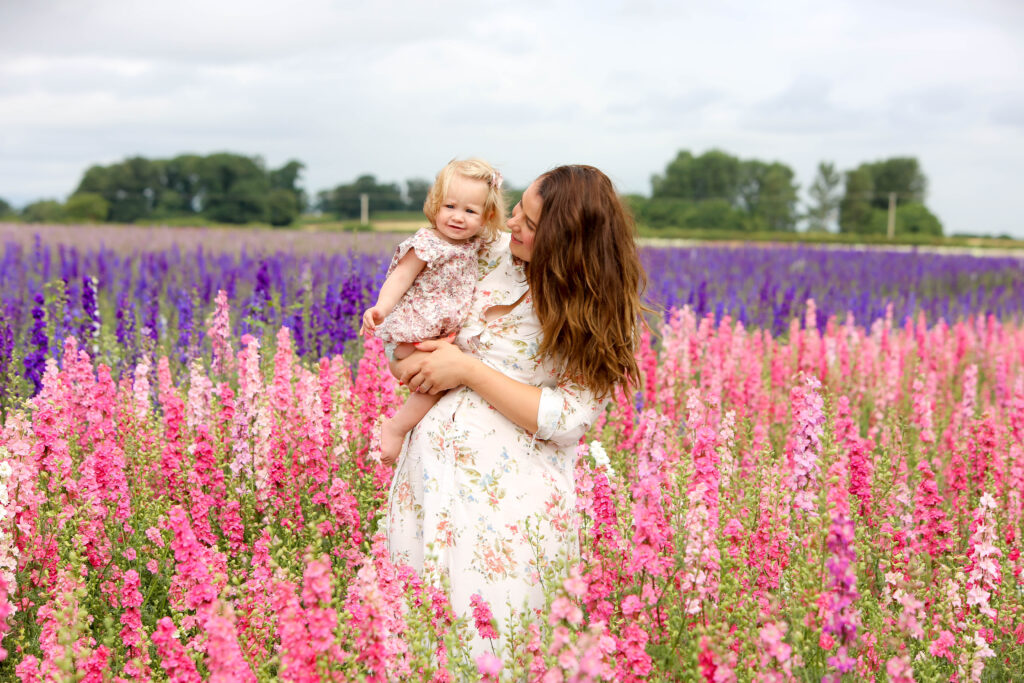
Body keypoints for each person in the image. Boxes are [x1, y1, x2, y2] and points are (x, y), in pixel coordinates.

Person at [385, 164, 649, 657]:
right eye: (518, 213)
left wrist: (466, 371)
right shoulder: (490, 259)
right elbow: (415, 321)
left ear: (565, 241)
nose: (511, 227)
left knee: (494, 647)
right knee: (415, 642)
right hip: (427, 487)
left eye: (529, 223)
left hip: (508, 511)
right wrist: (413, 361)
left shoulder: (596, 308)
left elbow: (570, 420)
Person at [360, 158, 506, 465]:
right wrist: (380, 309)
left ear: (486, 216)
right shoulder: (427, 242)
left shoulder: (475, 244)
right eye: (450, 206)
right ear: (435, 204)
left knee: (444, 378)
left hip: (442, 335)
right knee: (439, 381)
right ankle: (396, 428)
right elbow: (400, 277)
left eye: (470, 211)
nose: (457, 217)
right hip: (414, 331)